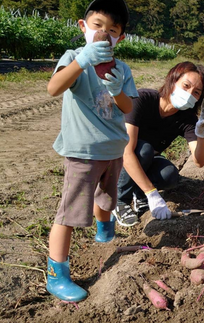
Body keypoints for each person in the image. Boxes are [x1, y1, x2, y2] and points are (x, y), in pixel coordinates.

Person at [46, 0, 137, 302]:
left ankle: (105, 231)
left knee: (107, 197)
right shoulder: (74, 58)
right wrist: (82, 60)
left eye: (112, 30)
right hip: (83, 151)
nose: (104, 33)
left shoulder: (121, 68)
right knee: (71, 213)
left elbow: (128, 107)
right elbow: (54, 88)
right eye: (97, 25)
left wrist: (116, 91)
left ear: (119, 38)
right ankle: (56, 272)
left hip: (113, 149)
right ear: (84, 27)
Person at [112, 61, 204, 226]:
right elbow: (126, 151)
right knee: (144, 150)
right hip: (116, 158)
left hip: (145, 160)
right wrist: (152, 193)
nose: (189, 94)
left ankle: (139, 195)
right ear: (172, 80)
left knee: (169, 175)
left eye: (196, 92)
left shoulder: (187, 118)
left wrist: (202, 135)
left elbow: (199, 161)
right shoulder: (142, 99)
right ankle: (119, 200)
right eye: (186, 86)